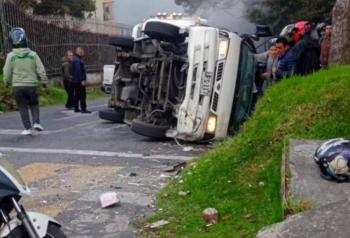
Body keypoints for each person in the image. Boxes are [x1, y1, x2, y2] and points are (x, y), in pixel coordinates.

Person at [3, 27, 48, 136]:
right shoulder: (33, 54)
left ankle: (27, 128)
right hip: (31, 85)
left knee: (22, 106)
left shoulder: (11, 56)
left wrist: (6, 82)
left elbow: (7, 71)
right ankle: (36, 122)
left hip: (17, 86)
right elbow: (41, 69)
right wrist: (44, 82)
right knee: (34, 104)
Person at [71, 47, 91, 113]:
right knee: (82, 95)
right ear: (79, 52)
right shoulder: (77, 60)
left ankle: (76, 108)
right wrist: (82, 80)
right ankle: (83, 108)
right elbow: (78, 71)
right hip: (79, 81)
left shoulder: (75, 59)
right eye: (82, 52)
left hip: (75, 80)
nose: (83, 53)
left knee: (77, 95)